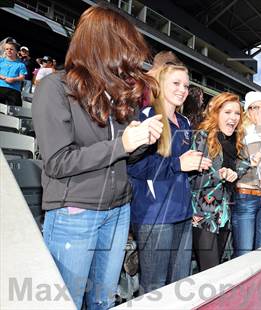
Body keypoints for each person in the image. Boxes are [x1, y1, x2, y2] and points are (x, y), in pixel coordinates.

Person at [32, 6, 163, 309]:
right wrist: (123, 144)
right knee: (68, 301)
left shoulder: (115, 95)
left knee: (103, 301)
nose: (131, 59)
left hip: (118, 211)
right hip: (74, 213)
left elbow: (122, 157)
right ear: (103, 45)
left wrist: (142, 140)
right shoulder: (54, 87)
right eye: (125, 48)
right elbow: (58, 161)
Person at [128, 63, 212, 293]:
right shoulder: (147, 115)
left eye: (186, 85)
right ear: (160, 85)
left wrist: (196, 163)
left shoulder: (184, 122)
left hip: (182, 212)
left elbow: (182, 163)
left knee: (180, 285)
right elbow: (136, 166)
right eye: (176, 83)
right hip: (155, 214)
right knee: (155, 289)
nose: (182, 89)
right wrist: (178, 164)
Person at [190, 92, 257, 271]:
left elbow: (239, 169)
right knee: (209, 272)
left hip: (224, 215)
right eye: (228, 112)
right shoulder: (202, 137)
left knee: (216, 270)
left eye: (237, 113)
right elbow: (193, 179)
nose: (233, 118)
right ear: (216, 113)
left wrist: (242, 166)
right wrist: (221, 174)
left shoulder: (235, 142)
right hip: (204, 217)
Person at [232, 91, 261, 257]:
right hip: (246, 196)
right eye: (255, 107)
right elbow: (255, 155)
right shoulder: (243, 131)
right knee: (244, 252)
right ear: (247, 111)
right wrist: (260, 128)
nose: (259, 111)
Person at [0, 40, 27, 106]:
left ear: (16, 52)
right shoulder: (1, 61)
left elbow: (22, 77)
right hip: (1, 87)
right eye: (7, 49)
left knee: (15, 111)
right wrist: (4, 77)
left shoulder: (21, 65)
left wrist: (13, 79)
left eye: (11, 49)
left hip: (14, 90)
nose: (9, 50)